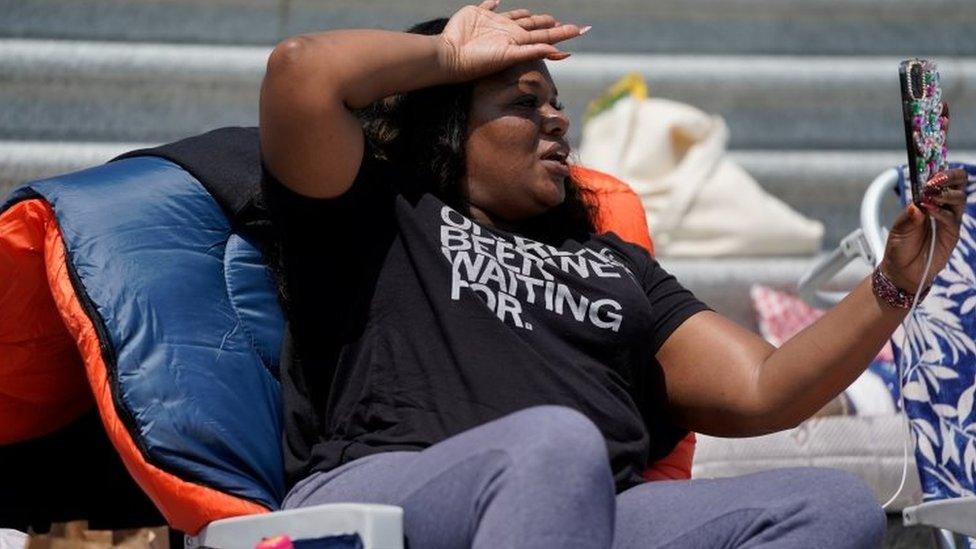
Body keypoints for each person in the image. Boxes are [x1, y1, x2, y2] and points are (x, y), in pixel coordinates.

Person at [257, 2, 968, 547]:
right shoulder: (382, 210)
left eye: (555, 102)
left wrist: (894, 283)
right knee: (553, 446)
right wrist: (447, 52)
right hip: (399, 481)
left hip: (588, 507)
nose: (556, 120)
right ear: (444, 125)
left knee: (829, 506)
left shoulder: (612, 261)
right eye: (522, 102)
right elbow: (301, 71)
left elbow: (765, 386)